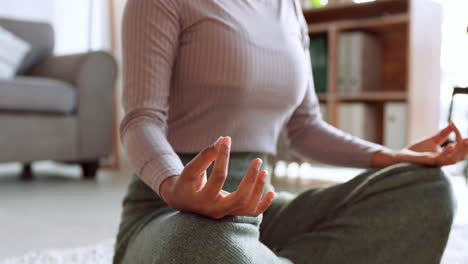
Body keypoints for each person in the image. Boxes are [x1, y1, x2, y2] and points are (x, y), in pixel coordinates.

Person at [113, 0, 468, 263]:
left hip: (260, 208)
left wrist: (391, 157)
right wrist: (177, 186)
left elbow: (304, 128)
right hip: (171, 212)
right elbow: (141, 119)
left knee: (427, 190)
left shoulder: (287, 8)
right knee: (207, 248)